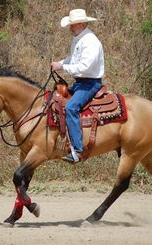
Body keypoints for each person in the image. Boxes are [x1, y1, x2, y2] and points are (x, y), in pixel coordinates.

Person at [51, 9, 104, 163]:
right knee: (56, 98)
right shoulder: (79, 38)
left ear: (81, 24)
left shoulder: (91, 42)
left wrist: (63, 68)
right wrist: (59, 63)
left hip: (90, 84)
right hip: (81, 83)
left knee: (71, 107)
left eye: (72, 25)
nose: (70, 28)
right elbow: (72, 58)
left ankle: (77, 150)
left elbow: (83, 67)